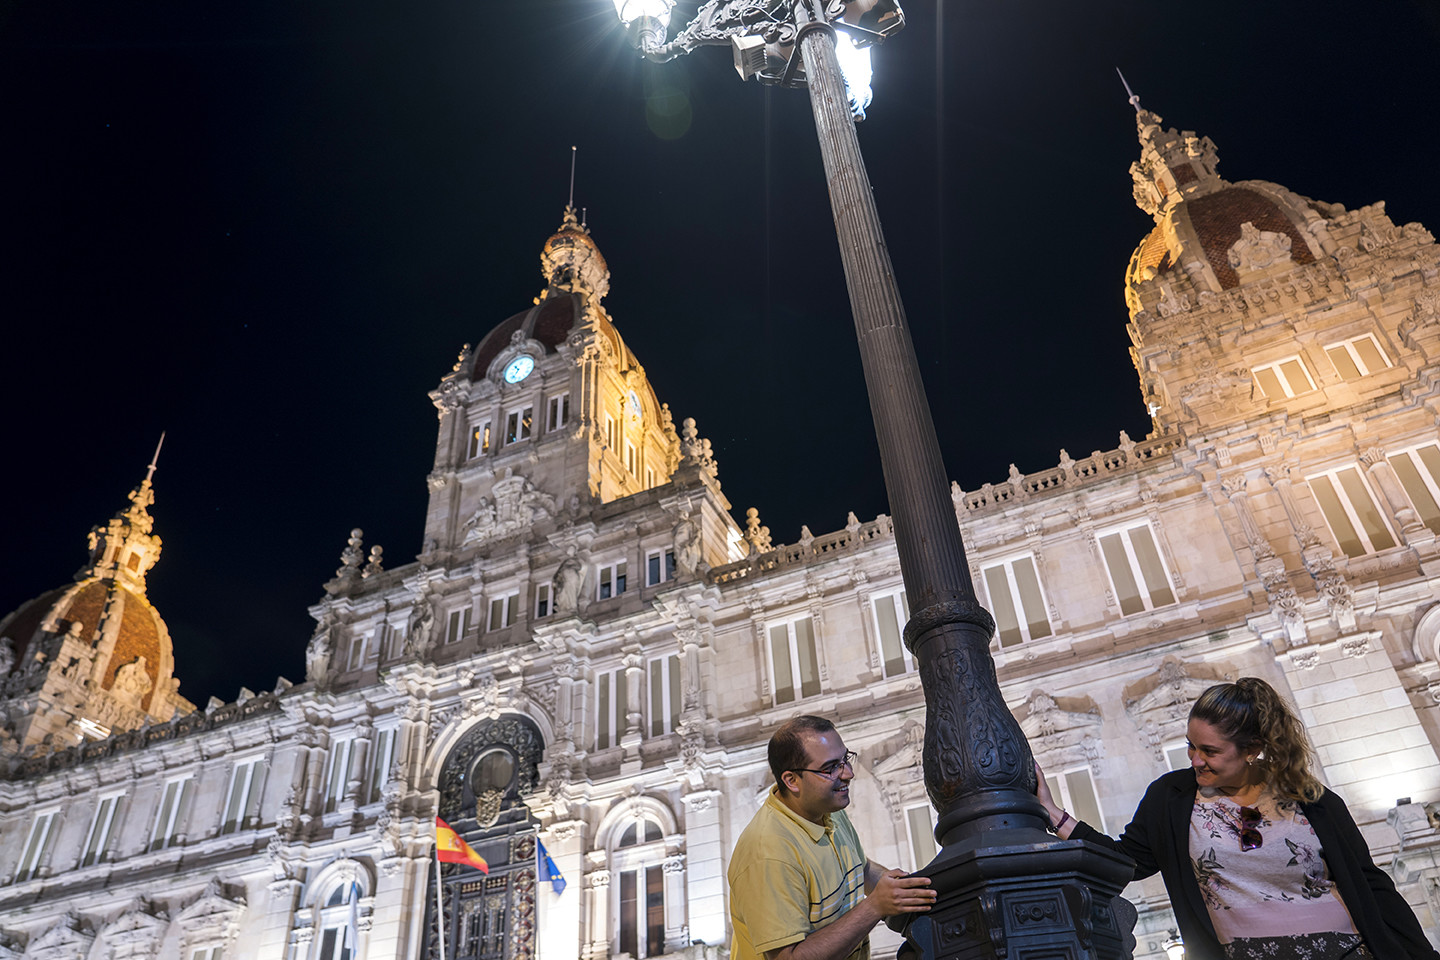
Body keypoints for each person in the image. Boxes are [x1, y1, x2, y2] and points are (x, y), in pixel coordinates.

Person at [1036, 677, 1440, 960]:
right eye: (1191, 746)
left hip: (1344, 951)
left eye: (1209, 751)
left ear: (1252, 749)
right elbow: (1124, 863)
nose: (1195, 760)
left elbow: (1371, 885)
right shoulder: (1171, 798)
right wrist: (1056, 815)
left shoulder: (1312, 800)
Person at [728, 715, 936, 960]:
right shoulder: (767, 854)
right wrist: (875, 906)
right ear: (791, 780)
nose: (848, 774)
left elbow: (861, 869)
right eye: (830, 768)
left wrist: (905, 889)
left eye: (845, 760)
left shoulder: (825, 809)